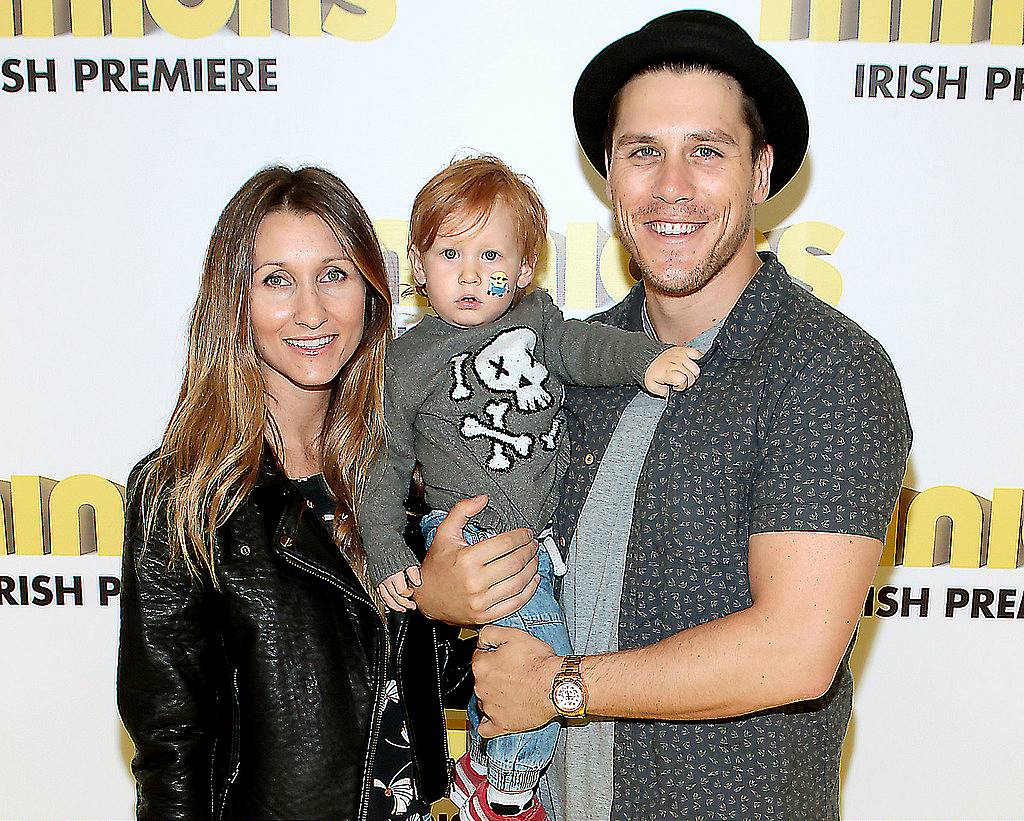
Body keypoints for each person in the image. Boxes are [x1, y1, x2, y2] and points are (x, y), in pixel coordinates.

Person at [421, 11, 913, 821]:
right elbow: (502, 604)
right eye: (643, 151)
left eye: (707, 151)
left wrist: (559, 687)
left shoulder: (827, 369)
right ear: (611, 177)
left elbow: (793, 651)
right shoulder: (560, 366)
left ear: (761, 173)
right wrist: (447, 594)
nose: (671, 186)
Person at [116, 166, 476, 821]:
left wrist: (448, 609)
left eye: (334, 275)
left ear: (370, 292)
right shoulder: (185, 495)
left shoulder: (409, 473)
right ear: (236, 300)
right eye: (276, 279)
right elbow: (172, 748)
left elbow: (445, 685)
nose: (311, 311)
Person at [357, 155, 701, 821]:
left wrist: (644, 361)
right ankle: (502, 787)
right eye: (447, 251)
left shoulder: (538, 322)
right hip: (473, 537)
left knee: (549, 648)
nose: (466, 271)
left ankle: (485, 767)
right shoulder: (406, 360)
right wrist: (388, 550)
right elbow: (383, 468)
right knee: (537, 650)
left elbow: (586, 349)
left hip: (543, 540)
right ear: (419, 268)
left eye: (489, 254)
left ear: (520, 272)